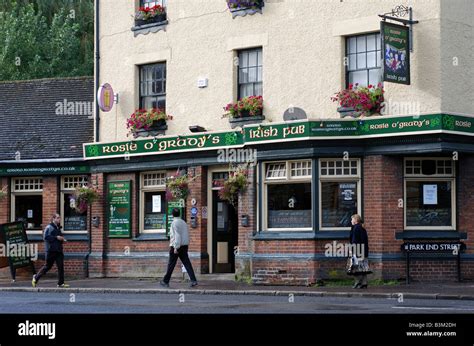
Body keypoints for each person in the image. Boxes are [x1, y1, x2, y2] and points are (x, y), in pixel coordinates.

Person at [160, 208, 198, 288]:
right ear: (179, 214)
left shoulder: (174, 223)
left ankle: (165, 281)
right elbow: (186, 234)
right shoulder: (183, 222)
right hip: (184, 246)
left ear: (172, 214)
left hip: (176, 246)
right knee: (187, 263)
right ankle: (193, 280)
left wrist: (176, 247)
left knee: (171, 264)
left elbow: (177, 236)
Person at [32, 213, 69, 288]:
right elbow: (45, 237)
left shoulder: (58, 227)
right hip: (51, 251)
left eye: (59, 218)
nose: (59, 219)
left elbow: (58, 237)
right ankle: (36, 277)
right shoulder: (49, 227)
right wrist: (56, 238)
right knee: (48, 266)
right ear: (53, 219)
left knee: (60, 266)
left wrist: (62, 240)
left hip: (58, 250)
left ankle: (60, 283)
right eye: (58, 218)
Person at [348, 214, 371, 289]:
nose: (351, 221)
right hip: (364, 250)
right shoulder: (362, 227)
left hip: (357, 250)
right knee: (363, 267)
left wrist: (352, 250)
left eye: (352, 219)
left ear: (356, 220)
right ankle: (364, 283)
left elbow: (354, 241)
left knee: (354, 267)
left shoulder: (355, 228)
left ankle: (357, 282)